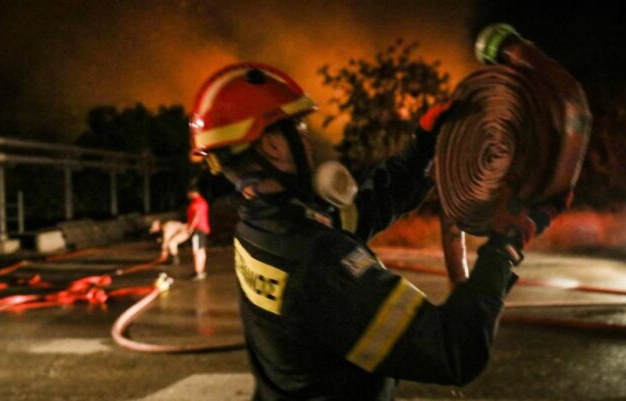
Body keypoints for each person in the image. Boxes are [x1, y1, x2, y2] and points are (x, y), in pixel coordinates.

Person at [189, 63, 563, 400]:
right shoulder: (318, 260)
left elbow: (364, 211)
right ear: (272, 144)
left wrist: (422, 149)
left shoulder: (260, 227)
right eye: (298, 128)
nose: (307, 140)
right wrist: (505, 248)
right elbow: (453, 350)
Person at [186, 186, 210, 280]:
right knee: (201, 250)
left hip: (198, 229)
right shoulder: (200, 201)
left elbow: (196, 216)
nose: (187, 195)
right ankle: (200, 271)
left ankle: (199, 272)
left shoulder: (198, 202)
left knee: (197, 251)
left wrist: (190, 228)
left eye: (188, 193)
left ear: (193, 192)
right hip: (202, 229)